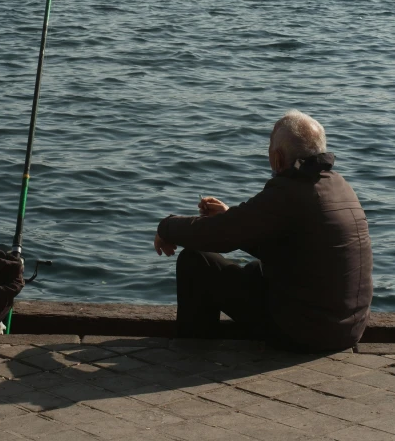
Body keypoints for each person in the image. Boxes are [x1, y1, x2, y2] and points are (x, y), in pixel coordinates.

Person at [154, 110, 373, 352]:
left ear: (278, 158)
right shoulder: (340, 186)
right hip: (347, 330)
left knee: (195, 262)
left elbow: (219, 235)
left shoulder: (288, 191)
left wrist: (167, 227)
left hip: (307, 334)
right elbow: (284, 242)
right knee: (256, 270)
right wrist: (230, 216)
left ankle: (190, 354)